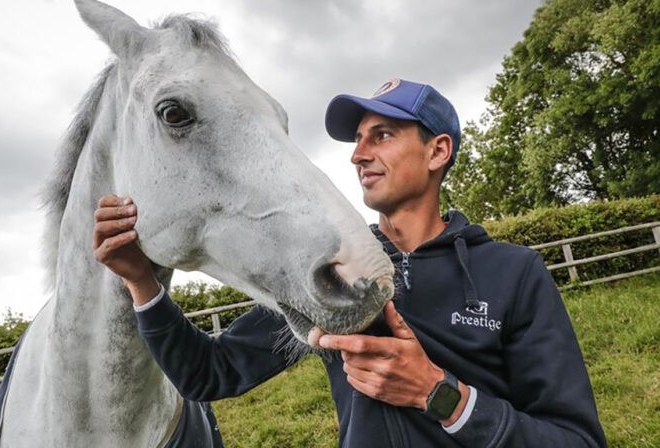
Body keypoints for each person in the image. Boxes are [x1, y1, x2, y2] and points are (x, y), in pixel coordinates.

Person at [93, 78, 607, 447]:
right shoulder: (336, 271)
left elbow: (576, 438)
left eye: (381, 135)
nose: (359, 154)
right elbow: (210, 374)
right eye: (357, 140)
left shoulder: (514, 273)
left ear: (438, 151)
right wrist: (143, 282)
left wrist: (440, 395)